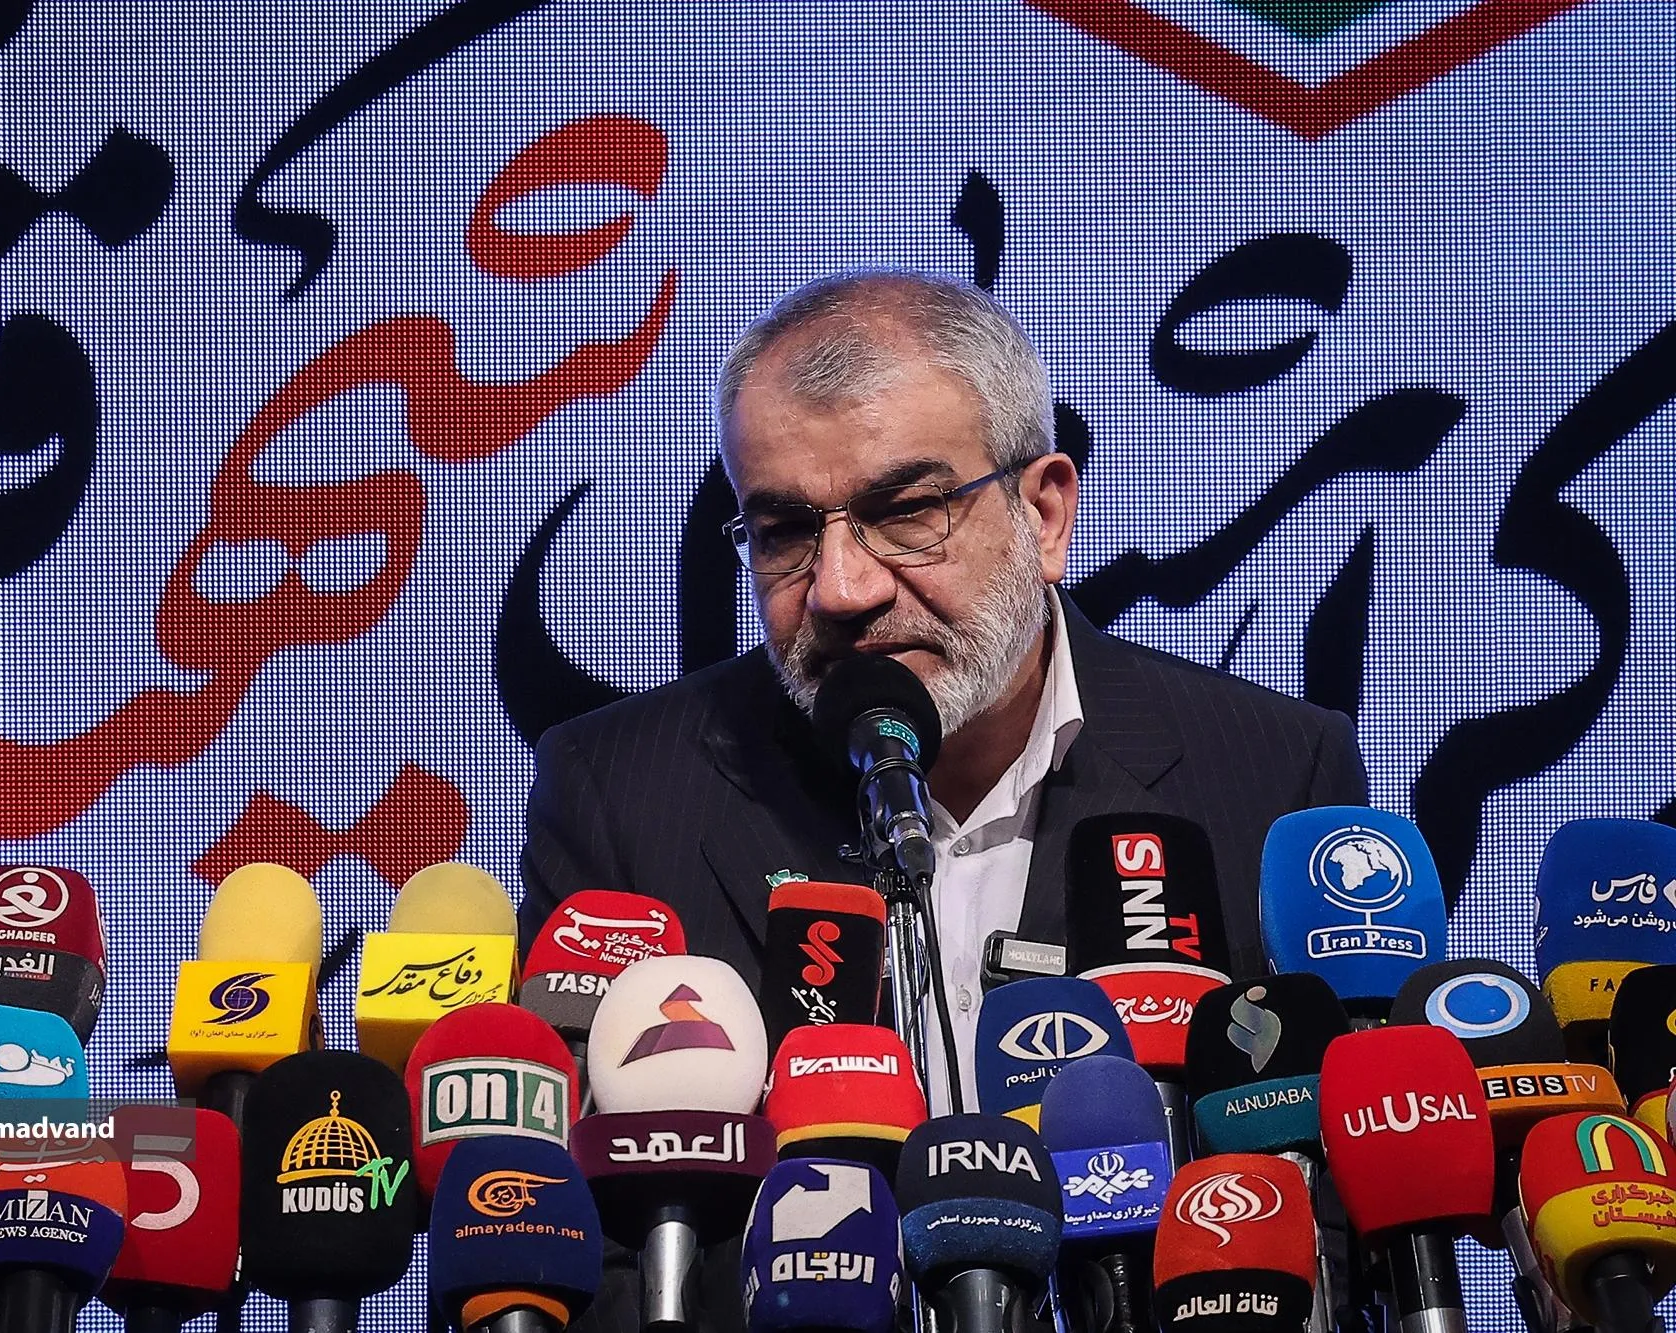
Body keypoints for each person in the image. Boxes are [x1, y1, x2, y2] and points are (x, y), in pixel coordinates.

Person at [518, 269, 1368, 1326]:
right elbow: (574, 1241)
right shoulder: (620, 790)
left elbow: (1333, 1229)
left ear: (1044, 513)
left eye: (906, 511)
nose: (842, 588)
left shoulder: (1272, 773)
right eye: (783, 531)